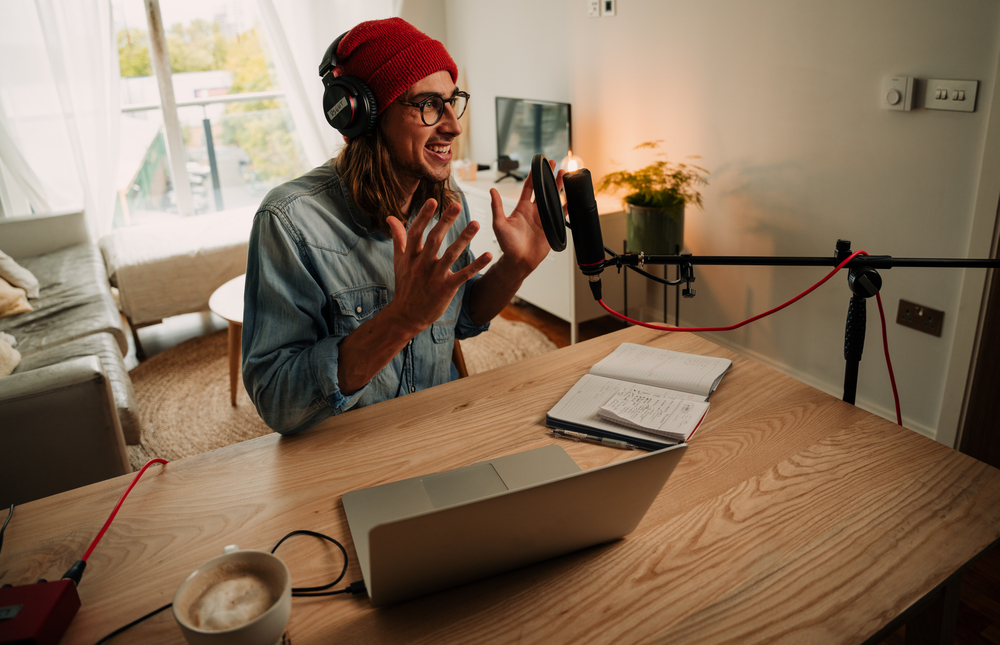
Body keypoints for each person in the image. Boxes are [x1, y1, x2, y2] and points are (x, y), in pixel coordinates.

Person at [242, 17, 559, 435]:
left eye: (453, 100)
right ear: (367, 118)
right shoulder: (290, 221)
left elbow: (459, 319)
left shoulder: (446, 199)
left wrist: (514, 267)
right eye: (429, 103)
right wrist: (401, 319)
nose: (453, 124)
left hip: (439, 435)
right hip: (345, 458)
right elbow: (278, 401)